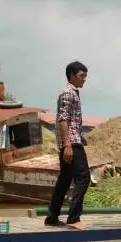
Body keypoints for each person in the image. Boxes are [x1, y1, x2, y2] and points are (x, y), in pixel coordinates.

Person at [45, 61, 91, 230]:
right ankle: (74, 219)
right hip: (71, 143)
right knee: (84, 177)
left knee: (64, 180)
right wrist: (68, 144)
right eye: (81, 76)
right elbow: (63, 119)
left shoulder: (73, 93)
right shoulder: (67, 94)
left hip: (73, 140)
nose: (84, 80)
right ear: (72, 75)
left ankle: (52, 218)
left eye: (85, 76)